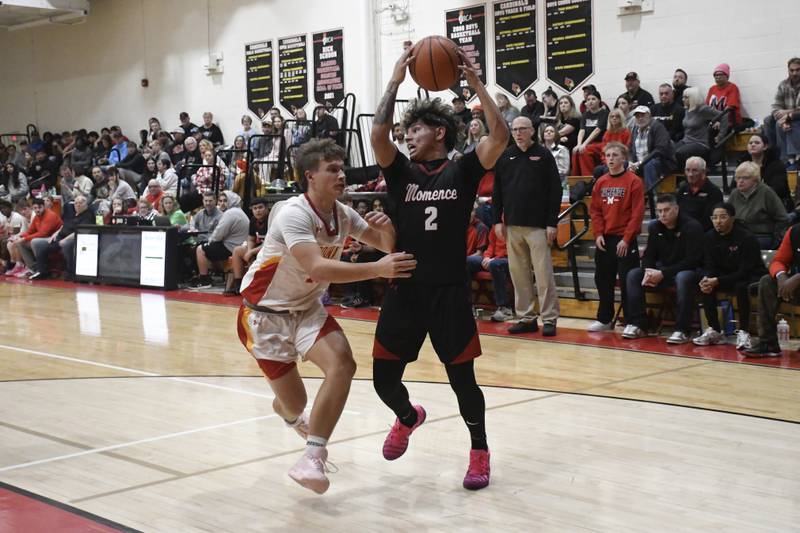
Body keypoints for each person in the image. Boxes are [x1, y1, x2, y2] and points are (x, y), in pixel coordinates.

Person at [236, 139, 413, 494]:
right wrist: (377, 269)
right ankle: (289, 414)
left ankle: (312, 457)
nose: (341, 175)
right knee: (295, 403)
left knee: (343, 365)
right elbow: (316, 266)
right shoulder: (293, 213)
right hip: (264, 316)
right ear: (310, 176)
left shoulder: (343, 213)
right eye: (332, 169)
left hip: (307, 309)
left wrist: (388, 229)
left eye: (342, 168)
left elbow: (386, 245)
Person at [369, 47, 509, 490]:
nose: (408, 136)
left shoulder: (463, 170)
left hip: (448, 291)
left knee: (463, 382)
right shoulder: (401, 174)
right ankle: (408, 416)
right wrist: (394, 78)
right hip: (405, 290)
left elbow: (500, 135)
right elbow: (377, 133)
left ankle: (479, 452)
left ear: (440, 132)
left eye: (415, 129)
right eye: (407, 129)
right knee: (382, 380)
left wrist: (475, 85)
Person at [494, 116, 561, 335]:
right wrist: (496, 220)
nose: (518, 133)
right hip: (512, 225)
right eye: (514, 129)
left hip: (539, 226)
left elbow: (555, 190)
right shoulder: (505, 156)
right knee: (519, 275)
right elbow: (497, 192)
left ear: (532, 131)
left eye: (522, 129)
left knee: (543, 275)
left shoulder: (543, 155)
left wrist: (552, 222)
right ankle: (526, 317)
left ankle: (549, 318)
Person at [621, 194, 703, 343]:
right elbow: (648, 256)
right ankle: (639, 324)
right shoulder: (655, 227)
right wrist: (648, 271)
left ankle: (682, 329)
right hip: (663, 271)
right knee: (633, 274)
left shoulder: (692, 226)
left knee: (683, 277)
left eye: (666, 210)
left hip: (689, 272)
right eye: (659, 211)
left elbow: (692, 261)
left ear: (676, 209)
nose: (662, 215)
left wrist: (662, 274)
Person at [692, 203, 767, 350]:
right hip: (725, 275)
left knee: (741, 286)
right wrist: (707, 278)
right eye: (714, 217)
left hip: (751, 276)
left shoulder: (746, 237)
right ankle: (715, 330)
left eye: (722, 217)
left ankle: (744, 332)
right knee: (706, 285)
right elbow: (709, 264)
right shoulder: (709, 237)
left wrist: (717, 280)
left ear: (732, 218)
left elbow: (745, 270)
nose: (718, 221)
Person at [588, 142, 645, 331]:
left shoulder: (634, 181)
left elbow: (637, 214)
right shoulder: (601, 182)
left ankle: (632, 321)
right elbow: (595, 210)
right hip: (605, 239)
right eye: (608, 155)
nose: (610, 159)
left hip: (625, 240)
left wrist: (627, 239)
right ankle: (605, 319)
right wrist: (598, 234)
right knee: (602, 280)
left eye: (614, 155)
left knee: (628, 281)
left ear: (623, 158)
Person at [746, 219, 800, 356]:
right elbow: (779, 261)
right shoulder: (794, 231)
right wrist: (781, 276)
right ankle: (768, 342)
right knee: (767, 282)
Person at [187, 191, 250, 290]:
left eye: (225, 201)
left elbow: (218, 235)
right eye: (220, 201)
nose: (222, 203)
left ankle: (204, 280)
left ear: (231, 201)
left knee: (200, 249)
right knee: (205, 247)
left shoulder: (230, 213)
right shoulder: (238, 211)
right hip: (237, 245)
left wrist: (210, 241)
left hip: (231, 247)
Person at [30, 194, 94, 281]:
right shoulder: (73, 214)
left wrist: (65, 239)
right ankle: (42, 272)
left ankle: (71, 273)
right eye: (76, 203)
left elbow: (79, 231)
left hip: (72, 240)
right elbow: (63, 225)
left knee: (65, 245)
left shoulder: (88, 215)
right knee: (41, 247)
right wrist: (55, 234)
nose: (78, 205)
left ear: (86, 204)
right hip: (60, 237)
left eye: (80, 203)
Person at [727, 161, 789, 249]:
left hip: (761, 236)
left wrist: (777, 240)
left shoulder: (766, 192)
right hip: (738, 234)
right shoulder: (734, 194)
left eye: (745, 178)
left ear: (755, 179)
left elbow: (783, 218)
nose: (740, 181)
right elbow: (727, 216)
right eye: (738, 178)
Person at [6, 197, 62, 278]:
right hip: (45, 238)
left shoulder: (50, 215)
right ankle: (32, 268)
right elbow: (30, 231)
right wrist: (19, 237)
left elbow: (43, 233)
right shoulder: (37, 217)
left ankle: (42, 268)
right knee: (20, 243)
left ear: (44, 206)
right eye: (35, 208)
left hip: (55, 239)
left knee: (35, 241)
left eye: (40, 207)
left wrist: (25, 238)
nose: (37, 210)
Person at [467, 219, 511, 322]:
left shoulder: (515, 225)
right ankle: (467, 305)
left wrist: (493, 259)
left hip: (509, 259)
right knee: (467, 261)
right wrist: (487, 256)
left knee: (495, 264)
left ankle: (504, 308)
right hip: (493, 258)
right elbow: (491, 245)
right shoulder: (497, 223)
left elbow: (513, 249)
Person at [226, 197, 269, 296]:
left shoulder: (271, 219)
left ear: (267, 208)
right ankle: (239, 285)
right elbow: (250, 239)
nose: (257, 211)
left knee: (252, 256)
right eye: (255, 208)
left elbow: (268, 243)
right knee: (237, 250)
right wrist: (249, 250)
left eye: (260, 207)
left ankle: (256, 287)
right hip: (257, 249)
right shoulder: (253, 220)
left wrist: (251, 252)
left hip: (270, 249)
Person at [739, 133, 791, 211]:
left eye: (757, 143)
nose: (753, 145)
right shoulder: (743, 164)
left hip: (774, 205)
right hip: (747, 204)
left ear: (765, 146)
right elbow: (734, 187)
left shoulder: (776, 164)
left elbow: (778, 189)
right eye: (750, 143)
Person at [628, 106, 676, 190]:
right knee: (622, 165)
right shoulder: (635, 128)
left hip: (660, 162)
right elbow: (630, 149)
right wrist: (630, 162)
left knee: (649, 165)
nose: (640, 118)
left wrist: (641, 162)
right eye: (637, 116)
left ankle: (652, 197)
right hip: (639, 164)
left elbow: (660, 149)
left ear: (649, 116)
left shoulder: (657, 127)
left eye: (643, 115)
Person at [766, 57, 800, 166]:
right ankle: (772, 153)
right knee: (768, 120)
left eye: (798, 70)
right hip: (787, 117)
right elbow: (776, 106)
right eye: (792, 70)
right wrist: (784, 119)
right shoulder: (783, 84)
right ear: (788, 70)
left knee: (782, 124)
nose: (794, 73)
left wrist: (788, 114)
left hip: (797, 116)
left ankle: (789, 158)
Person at [674, 87, 718, 168]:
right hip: (686, 141)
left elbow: (723, 115)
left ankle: (689, 172)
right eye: (683, 97)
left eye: (686, 97)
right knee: (669, 151)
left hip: (700, 143)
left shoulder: (703, 110)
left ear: (693, 98)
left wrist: (718, 122)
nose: (683, 99)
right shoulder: (687, 110)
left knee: (680, 153)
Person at [676, 156, 723, 231]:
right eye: (687, 170)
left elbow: (709, 220)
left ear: (703, 172)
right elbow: (677, 212)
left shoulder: (714, 191)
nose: (690, 174)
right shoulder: (682, 189)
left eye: (694, 170)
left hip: (701, 231)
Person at [571, 91, 609, 176]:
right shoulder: (585, 114)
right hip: (589, 144)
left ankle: (589, 179)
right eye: (588, 99)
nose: (590, 101)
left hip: (601, 143)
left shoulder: (604, 113)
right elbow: (582, 130)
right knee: (575, 151)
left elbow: (597, 130)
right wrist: (578, 144)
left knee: (584, 151)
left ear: (599, 101)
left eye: (593, 99)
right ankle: (575, 179)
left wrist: (584, 144)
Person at [706, 63, 742, 128]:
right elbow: (707, 107)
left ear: (727, 76)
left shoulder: (732, 87)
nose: (718, 77)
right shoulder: (712, 89)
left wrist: (720, 121)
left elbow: (730, 108)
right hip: (714, 121)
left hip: (729, 122)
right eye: (716, 75)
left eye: (721, 74)